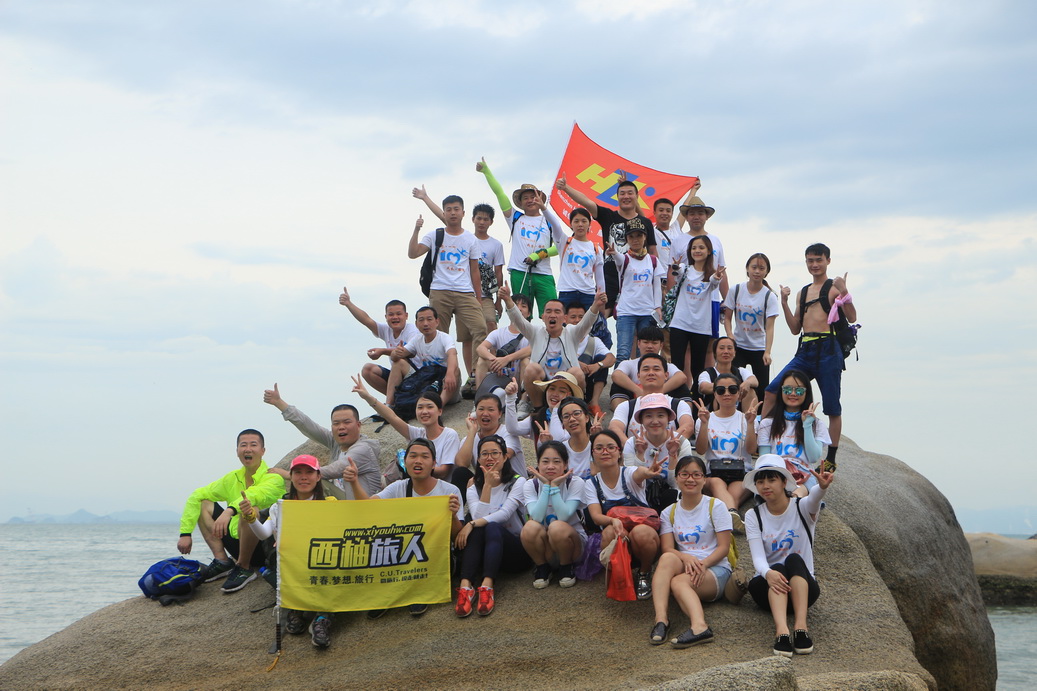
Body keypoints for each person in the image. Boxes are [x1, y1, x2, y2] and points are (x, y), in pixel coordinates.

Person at [344, 438, 464, 618]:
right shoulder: (398, 488)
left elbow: (457, 537)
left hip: (436, 555)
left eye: (424, 457)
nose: (418, 461)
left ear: (434, 464)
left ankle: (419, 592)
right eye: (413, 456)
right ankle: (388, 595)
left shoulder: (450, 491)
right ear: (405, 461)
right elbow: (369, 508)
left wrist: (453, 516)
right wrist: (354, 482)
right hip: (403, 553)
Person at [765, 243, 856, 471]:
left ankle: (831, 458)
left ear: (828, 261)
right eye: (810, 261)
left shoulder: (833, 288)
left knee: (832, 406)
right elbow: (795, 328)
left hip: (828, 349)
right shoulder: (803, 292)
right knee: (772, 389)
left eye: (819, 260)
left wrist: (844, 291)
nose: (814, 265)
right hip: (805, 349)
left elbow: (852, 317)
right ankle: (763, 440)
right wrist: (784, 303)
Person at [413, 186, 504, 397]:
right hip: (440, 290)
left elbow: (477, 270)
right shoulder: (440, 234)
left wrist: (479, 297)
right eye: (449, 210)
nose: (453, 213)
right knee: (441, 335)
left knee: (481, 328)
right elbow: (414, 252)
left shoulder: (476, 240)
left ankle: (476, 374)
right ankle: (443, 378)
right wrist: (425, 201)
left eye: (456, 209)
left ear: (463, 213)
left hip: (466, 292)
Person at [239, 454, 337, 648]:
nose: (303, 477)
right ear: (291, 477)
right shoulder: (279, 507)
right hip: (292, 566)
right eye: (298, 472)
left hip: (320, 563)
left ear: (318, 476)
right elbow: (263, 534)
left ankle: (321, 618)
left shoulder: (330, 504)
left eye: (309, 472)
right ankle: (296, 609)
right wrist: (250, 517)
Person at [743, 455, 834, 657]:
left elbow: (814, 499)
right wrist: (768, 574)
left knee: (793, 560)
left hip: (803, 589)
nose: (765, 486)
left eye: (772, 480)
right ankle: (782, 631)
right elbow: (758, 558)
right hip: (767, 589)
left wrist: (822, 487)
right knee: (776, 567)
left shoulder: (801, 507)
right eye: (760, 481)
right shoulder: (753, 515)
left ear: (784, 482)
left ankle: (801, 627)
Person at [176, 429, 284, 593]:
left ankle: (244, 567)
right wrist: (185, 533)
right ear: (237, 451)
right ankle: (222, 561)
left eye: (253, 445)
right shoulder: (232, 478)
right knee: (203, 502)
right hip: (236, 541)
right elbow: (196, 495)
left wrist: (229, 510)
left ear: (263, 451)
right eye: (243, 445)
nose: (248, 449)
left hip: (263, 547)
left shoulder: (274, 478)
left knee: (250, 510)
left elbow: (255, 495)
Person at [649, 456, 732, 649]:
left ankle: (700, 627)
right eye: (684, 474)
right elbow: (667, 548)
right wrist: (685, 557)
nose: (690, 479)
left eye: (696, 475)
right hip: (687, 565)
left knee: (678, 582)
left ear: (704, 479)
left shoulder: (716, 506)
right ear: (677, 478)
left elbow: (723, 548)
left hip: (714, 568)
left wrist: (703, 564)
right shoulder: (668, 512)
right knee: (667, 557)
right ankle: (661, 620)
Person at [477, 158, 568, 315]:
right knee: (520, 314)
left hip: (544, 274)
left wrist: (539, 254)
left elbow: (562, 246)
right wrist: (486, 171)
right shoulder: (515, 217)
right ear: (520, 202)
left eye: (533, 197)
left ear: (540, 199)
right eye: (525, 198)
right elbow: (499, 193)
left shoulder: (548, 220)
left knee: (552, 312)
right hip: (519, 272)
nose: (530, 200)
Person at [555, 175, 658, 311]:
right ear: (617, 197)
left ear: (637, 196)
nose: (626, 196)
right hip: (610, 276)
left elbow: (652, 252)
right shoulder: (608, 216)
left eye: (630, 193)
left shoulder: (645, 222)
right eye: (622, 193)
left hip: (637, 279)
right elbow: (587, 202)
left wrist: (658, 278)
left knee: (636, 316)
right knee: (601, 315)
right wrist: (566, 188)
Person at [262, 384, 382, 499]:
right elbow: (308, 426)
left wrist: (290, 475)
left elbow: (336, 469)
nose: (341, 427)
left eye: (347, 422)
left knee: (316, 481)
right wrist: (279, 403)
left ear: (358, 425)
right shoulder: (335, 442)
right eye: (336, 423)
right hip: (340, 503)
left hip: (361, 506)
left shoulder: (364, 449)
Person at [454, 435, 530, 617]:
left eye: (495, 453)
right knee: (480, 527)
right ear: (478, 459)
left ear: (505, 457)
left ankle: (487, 586)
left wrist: (470, 524)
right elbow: (478, 516)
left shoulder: (518, 481)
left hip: (515, 551)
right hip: (488, 552)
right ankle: (466, 587)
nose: (489, 458)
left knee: (491, 526)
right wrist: (487, 486)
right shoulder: (474, 486)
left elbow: (504, 515)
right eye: (484, 454)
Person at [497, 281, 606, 408]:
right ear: (543, 317)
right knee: (531, 368)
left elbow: (587, 322)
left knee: (576, 371)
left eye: (557, 311)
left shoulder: (572, 332)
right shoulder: (536, 332)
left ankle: (575, 407)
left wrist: (596, 304)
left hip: (566, 383)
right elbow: (518, 320)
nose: (552, 315)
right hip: (542, 384)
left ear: (564, 318)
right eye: (548, 311)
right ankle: (538, 409)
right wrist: (507, 299)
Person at [585, 430, 664, 601]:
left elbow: (639, 473)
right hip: (618, 535)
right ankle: (619, 576)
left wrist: (647, 472)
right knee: (608, 532)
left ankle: (644, 572)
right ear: (593, 454)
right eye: (599, 448)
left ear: (619, 451)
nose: (605, 452)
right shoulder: (591, 483)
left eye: (610, 447)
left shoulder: (629, 473)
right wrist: (613, 520)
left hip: (643, 540)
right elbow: (596, 516)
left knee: (641, 532)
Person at [351, 375, 459, 480]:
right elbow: (392, 417)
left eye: (429, 407)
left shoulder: (449, 435)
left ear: (440, 411)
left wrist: (414, 466)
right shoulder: (418, 434)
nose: (424, 411)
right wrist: (367, 397)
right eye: (420, 407)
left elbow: (443, 472)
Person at [694, 373, 759, 530]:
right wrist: (704, 424)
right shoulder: (706, 418)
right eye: (721, 390)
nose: (727, 394)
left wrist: (751, 424)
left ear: (739, 393)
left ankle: (728, 516)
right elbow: (701, 450)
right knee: (717, 483)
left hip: (741, 472)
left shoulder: (746, 418)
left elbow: (751, 450)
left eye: (732, 389)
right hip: (713, 473)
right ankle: (732, 515)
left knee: (733, 492)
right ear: (715, 393)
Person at [670, 194, 729, 366]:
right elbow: (672, 271)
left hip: (711, 300)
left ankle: (704, 381)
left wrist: (728, 300)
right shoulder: (679, 240)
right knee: (683, 348)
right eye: (692, 213)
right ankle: (684, 381)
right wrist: (670, 298)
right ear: (687, 217)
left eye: (700, 213)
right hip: (685, 300)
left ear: (706, 216)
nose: (696, 217)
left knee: (708, 346)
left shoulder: (715, 241)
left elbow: (722, 272)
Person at [521, 441, 589, 589]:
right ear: (538, 464)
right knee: (529, 527)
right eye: (545, 461)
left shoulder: (575, 482)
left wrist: (554, 488)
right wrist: (546, 486)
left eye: (556, 461)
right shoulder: (530, 485)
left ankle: (566, 567)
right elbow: (537, 517)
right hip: (547, 546)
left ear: (565, 465)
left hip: (573, 545)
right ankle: (542, 567)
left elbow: (564, 516)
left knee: (557, 526)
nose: (550, 466)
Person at [757, 371, 831, 498]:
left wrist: (807, 425)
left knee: (796, 495)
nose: (792, 393)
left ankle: (793, 500)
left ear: (806, 393)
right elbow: (764, 459)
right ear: (781, 391)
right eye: (787, 389)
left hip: (803, 474)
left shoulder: (817, 424)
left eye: (799, 390)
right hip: (774, 472)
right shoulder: (767, 423)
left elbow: (813, 457)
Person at [338, 289, 420, 396]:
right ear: (386, 317)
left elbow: (407, 351)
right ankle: (396, 399)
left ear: (406, 316)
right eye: (391, 314)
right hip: (397, 376)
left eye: (399, 314)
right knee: (368, 370)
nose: (395, 317)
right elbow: (366, 320)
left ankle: (392, 401)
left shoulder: (412, 331)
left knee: (398, 359)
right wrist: (348, 304)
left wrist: (382, 351)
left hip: (415, 374)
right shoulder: (386, 330)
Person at [667, 235, 725, 386]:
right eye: (693, 248)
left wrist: (718, 276)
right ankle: (677, 393)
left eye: (701, 248)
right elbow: (677, 272)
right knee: (677, 364)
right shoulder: (685, 269)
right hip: (680, 324)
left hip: (701, 327)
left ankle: (696, 396)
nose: (697, 251)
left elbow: (714, 282)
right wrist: (675, 267)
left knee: (698, 367)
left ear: (709, 251)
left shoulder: (712, 274)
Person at [723, 253, 779, 400]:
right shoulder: (736, 290)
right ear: (747, 269)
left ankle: (760, 414)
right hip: (739, 346)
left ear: (766, 271)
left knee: (762, 388)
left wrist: (767, 352)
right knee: (733, 384)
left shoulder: (769, 296)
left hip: (759, 348)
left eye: (761, 268)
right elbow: (727, 317)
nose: (757, 271)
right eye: (754, 267)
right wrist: (730, 335)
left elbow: (770, 327)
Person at [622, 394, 694, 505]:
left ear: (668, 418)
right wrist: (640, 454)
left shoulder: (681, 443)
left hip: (673, 499)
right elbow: (631, 482)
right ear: (641, 420)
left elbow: (678, 484)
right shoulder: (632, 443)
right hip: (640, 498)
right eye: (648, 416)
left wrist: (673, 455)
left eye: (660, 416)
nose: (655, 421)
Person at [609, 354, 695, 445]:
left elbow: (688, 426)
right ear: (638, 376)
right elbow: (614, 428)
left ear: (666, 375)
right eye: (646, 369)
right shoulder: (626, 406)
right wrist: (632, 448)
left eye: (656, 369)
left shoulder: (679, 405)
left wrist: (666, 447)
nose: (651, 373)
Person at [611, 222, 667, 365]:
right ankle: (619, 379)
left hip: (647, 312)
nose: (635, 240)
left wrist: (658, 307)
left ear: (645, 238)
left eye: (639, 236)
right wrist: (614, 253)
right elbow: (618, 258)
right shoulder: (625, 258)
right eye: (631, 236)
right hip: (626, 311)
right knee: (623, 352)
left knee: (644, 354)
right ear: (627, 239)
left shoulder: (653, 260)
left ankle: (640, 378)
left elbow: (657, 286)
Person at [384, 305, 461, 406]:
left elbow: (452, 354)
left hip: (445, 384)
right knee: (398, 363)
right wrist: (396, 353)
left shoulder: (445, 338)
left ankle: (438, 407)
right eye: (421, 320)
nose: (425, 324)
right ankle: (389, 405)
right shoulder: (417, 340)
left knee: (455, 370)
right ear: (416, 324)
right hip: (427, 382)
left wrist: (450, 374)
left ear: (437, 322)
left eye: (429, 319)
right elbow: (397, 356)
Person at [455, 394, 526, 495]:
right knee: (460, 473)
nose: (485, 413)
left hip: (511, 485)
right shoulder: (470, 438)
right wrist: (472, 432)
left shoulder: (508, 432)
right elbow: (461, 463)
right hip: (486, 485)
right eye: (481, 409)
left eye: (491, 410)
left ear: (500, 414)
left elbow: (500, 459)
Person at [609, 325, 691, 410]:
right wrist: (639, 391)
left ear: (661, 345)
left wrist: (658, 392)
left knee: (681, 387)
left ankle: (684, 414)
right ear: (638, 343)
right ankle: (623, 413)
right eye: (646, 342)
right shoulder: (628, 363)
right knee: (617, 385)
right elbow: (616, 375)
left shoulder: (668, 366)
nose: (650, 346)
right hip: (635, 401)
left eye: (654, 343)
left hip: (663, 402)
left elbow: (681, 377)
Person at [474, 293, 532, 400]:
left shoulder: (532, 333)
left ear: (529, 313)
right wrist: (495, 361)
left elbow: (531, 349)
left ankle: (523, 402)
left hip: (521, 382)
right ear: (508, 310)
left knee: (525, 361)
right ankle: (479, 400)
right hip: (500, 379)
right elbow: (480, 348)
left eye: (523, 306)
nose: (519, 309)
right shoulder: (498, 333)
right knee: (482, 360)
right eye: (515, 305)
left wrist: (506, 359)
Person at [504, 372, 581, 448]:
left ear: (569, 396)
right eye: (552, 389)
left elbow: (558, 440)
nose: (555, 394)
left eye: (562, 391)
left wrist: (556, 410)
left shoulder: (575, 420)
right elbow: (513, 429)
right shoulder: (538, 417)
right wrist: (510, 398)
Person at [565, 301, 615, 414]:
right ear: (565, 319)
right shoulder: (560, 337)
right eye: (573, 317)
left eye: (581, 317)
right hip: (565, 382)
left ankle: (594, 402)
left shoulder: (593, 340)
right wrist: (577, 363)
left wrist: (598, 365)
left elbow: (611, 358)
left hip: (586, 384)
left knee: (602, 360)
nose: (577, 320)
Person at [555, 207, 606, 311]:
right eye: (576, 221)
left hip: (588, 294)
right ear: (571, 224)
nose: (580, 224)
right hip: (567, 292)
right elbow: (554, 224)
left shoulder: (596, 248)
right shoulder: (565, 242)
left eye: (584, 221)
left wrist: (602, 296)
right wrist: (543, 208)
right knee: (565, 321)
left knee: (589, 321)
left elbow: (600, 277)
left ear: (589, 224)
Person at [540, 396, 601, 480]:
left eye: (576, 413)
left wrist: (598, 439)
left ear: (587, 417)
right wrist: (547, 445)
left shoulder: (599, 446)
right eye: (566, 416)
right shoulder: (561, 450)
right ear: (562, 423)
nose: (572, 419)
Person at [696, 336, 759, 412]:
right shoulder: (707, 373)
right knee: (720, 391)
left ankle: (749, 418)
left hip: (739, 412)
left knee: (750, 391)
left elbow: (754, 381)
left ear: (734, 353)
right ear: (715, 353)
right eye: (722, 348)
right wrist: (729, 388)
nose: (726, 351)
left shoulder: (741, 371)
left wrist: (747, 383)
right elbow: (703, 387)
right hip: (714, 413)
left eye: (729, 348)